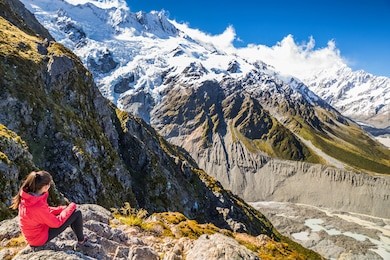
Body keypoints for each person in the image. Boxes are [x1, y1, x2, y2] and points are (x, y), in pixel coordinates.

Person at [10, 170, 88, 247]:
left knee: (69, 212)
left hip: (33, 234)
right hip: (38, 239)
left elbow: (45, 211)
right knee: (76, 213)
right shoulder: (37, 206)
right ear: (46, 186)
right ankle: (81, 241)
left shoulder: (28, 197)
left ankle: (79, 237)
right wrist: (72, 206)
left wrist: (61, 209)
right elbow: (56, 223)